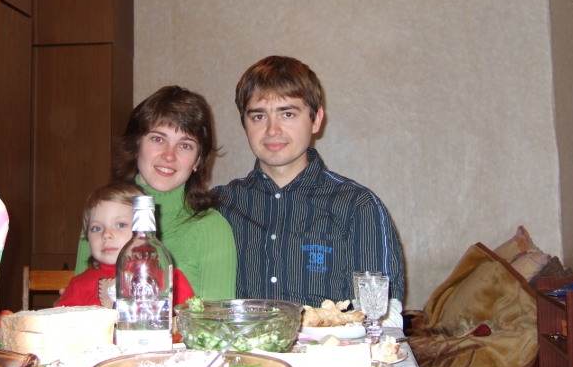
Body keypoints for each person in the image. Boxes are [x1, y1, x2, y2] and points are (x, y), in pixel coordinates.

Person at [214, 55, 406, 326]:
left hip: (328, 352)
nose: (272, 130)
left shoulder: (359, 207)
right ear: (245, 124)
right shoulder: (219, 206)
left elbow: (384, 319)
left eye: (288, 114)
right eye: (258, 116)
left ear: (316, 120)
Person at [74, 86, 236, 300]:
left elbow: (216, 319)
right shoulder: (103, 216)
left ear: (197, 160)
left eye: (185, 145)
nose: (169, 155)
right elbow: (79, 302)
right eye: (158, 139)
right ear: (136, 144)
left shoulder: (213, 229)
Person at [58, 182, 194, 308]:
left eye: (121, 225)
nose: (106, 234)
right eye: (97, 228)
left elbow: (190, 319)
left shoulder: (170, 279)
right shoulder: (79, 285)